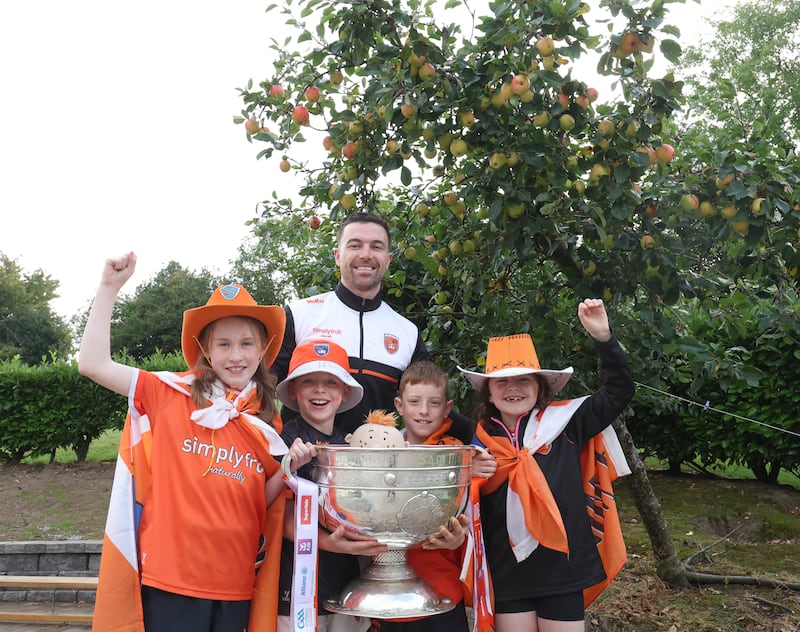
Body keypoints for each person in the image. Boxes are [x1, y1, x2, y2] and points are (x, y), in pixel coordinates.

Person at [78, 252, 312, 632]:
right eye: (223, 344)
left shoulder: (268, 419)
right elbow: (93, 364)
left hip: (235, 580)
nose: (236, 355)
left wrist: (288, 470)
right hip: (172, 577)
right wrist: (108, 289)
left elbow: (259, 500)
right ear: (205, 350)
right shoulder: (168, 392)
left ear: (263, 350)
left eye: (246, 344)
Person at [457, 299, 635, 632]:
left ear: (539, 387)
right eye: (502, 382)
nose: (513, 388)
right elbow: (465, 502)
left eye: (524, 380)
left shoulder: (567, 423)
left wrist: (603, 337)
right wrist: (471, 476)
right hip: (508, 571)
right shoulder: (476, 440)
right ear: (488, 393)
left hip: (562, 570)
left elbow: (619, 391)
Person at [272, 212, 473, 443]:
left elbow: (429, 400)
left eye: (376, 247)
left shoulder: (407, 332)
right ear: (338, 256)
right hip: (303, 470)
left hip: (379, 472)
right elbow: (260, 391)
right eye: (355, 245)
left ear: (388, 260)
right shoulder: (299, 314)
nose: (366, 255)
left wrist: (482, 441)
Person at [362, 361, 495, 632]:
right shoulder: (378, 451)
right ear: (400, 406)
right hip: (387, 593)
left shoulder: (458, 455)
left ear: (447, 408)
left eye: (434, 403)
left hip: (442, 591)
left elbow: (471, 520)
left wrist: (461, 538)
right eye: (414, 402)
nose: (424, 411)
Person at [275, 339, 381, 632]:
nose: (320, 389)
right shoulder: (282, 441)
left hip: (348, 583)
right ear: (294, 391)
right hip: (295, 587)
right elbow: (277, 515)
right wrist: (327, 543)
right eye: (309, 381)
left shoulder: (354, 443)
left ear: (344, 392)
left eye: (331, 383)